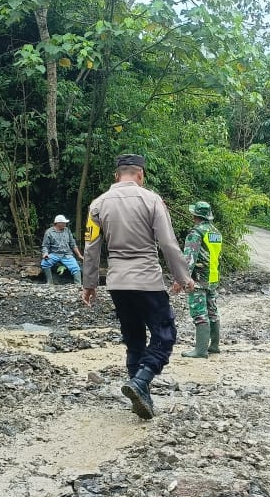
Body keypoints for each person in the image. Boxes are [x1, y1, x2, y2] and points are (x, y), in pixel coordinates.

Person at [81, 154, 195, 420]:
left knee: (133, 338)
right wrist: (182, 276)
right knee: (164, 334)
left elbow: (91, 248)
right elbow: (168, 244)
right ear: (141, 175)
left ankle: (141, 394)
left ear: (117, 175)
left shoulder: (97, 205)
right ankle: (141, 381)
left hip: (117, 283)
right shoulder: (152, 200)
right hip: (147, 281)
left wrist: (89, 284)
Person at [180, 201, 223, 358]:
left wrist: (183, 279)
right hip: (213, 277)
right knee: (213, 312)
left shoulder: (196, 232)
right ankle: (214, 346)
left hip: (198, 279)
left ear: (195, 215)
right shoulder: (216, 233)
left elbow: (189, 257)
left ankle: (200, 350)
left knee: (199, 313)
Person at [40, 214, 82, 284]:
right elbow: (45, 246)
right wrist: (45, 254)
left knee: (75, 267)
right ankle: (49, 282)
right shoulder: (49, 232)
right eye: (64, 222)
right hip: (55, 254)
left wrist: (79, 255)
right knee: (45, 263)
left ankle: (78, 285)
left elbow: (73, 244)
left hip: (67, 254)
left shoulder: (67, 230)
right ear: (58, 223)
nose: (65, 224)